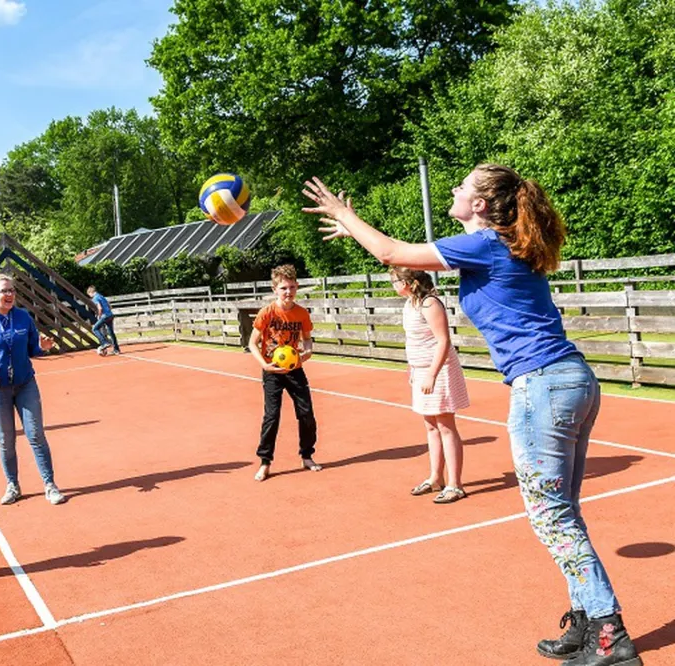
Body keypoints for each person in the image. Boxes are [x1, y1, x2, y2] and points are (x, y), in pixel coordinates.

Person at [303, 165, 641, 666]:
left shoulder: (486, 244)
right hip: (570, 380)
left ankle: (609, 633)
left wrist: (346, 215)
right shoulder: (506, 246)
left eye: (463, 186)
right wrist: (352, 225)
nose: (455, 191)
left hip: (543, 386)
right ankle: (588, 622)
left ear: (480, 205)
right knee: (561, 513)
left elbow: (393, 254)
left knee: (553, 517)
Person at [0, 273, 65, 506]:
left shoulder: (23, 317)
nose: (10, 294)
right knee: (6, 439)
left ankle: (50, 485)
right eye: (4, 291)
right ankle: (13, 485)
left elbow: (33, 349)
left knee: (36, 435)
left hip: (25, 384)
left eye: (12, 290)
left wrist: (43, 347)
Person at [390, 267, 470, 503]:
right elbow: (414, 341)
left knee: (445, 425)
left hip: (440, 370)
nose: (393, 285)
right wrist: (413, 368)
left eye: (396, 281)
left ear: (410, 282)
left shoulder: (429, 304)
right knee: (431, 426)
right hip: (422, 370)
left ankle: (455, 484)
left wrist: (432, 375)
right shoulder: (410, 304)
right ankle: (436, 478)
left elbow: (443, 341)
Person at [248, 264, 321, 482]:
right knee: (272, 416)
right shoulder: (267, 313)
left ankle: (307, 456)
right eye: (283, 288)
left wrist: (307, 351)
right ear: (275, 290)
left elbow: (307, 338)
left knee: (306, 413)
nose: (288, 292)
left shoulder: (301, 313)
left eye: (291, 287)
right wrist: (264, 365)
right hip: (272, 371)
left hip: (295, 369)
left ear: (297, 287)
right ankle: (265, 462)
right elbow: (252, 343)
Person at [87, 285, 121, 356]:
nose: (90, 297)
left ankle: (104, 342)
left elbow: (100, 308)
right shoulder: (101, 296)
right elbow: (110, 306)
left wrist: (99, 316)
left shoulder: (95, 298)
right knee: (111, 332)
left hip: (104, 316)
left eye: (89, 295)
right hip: (110, 315)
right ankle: (116, 349)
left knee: (94, 328)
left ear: (91, 292)